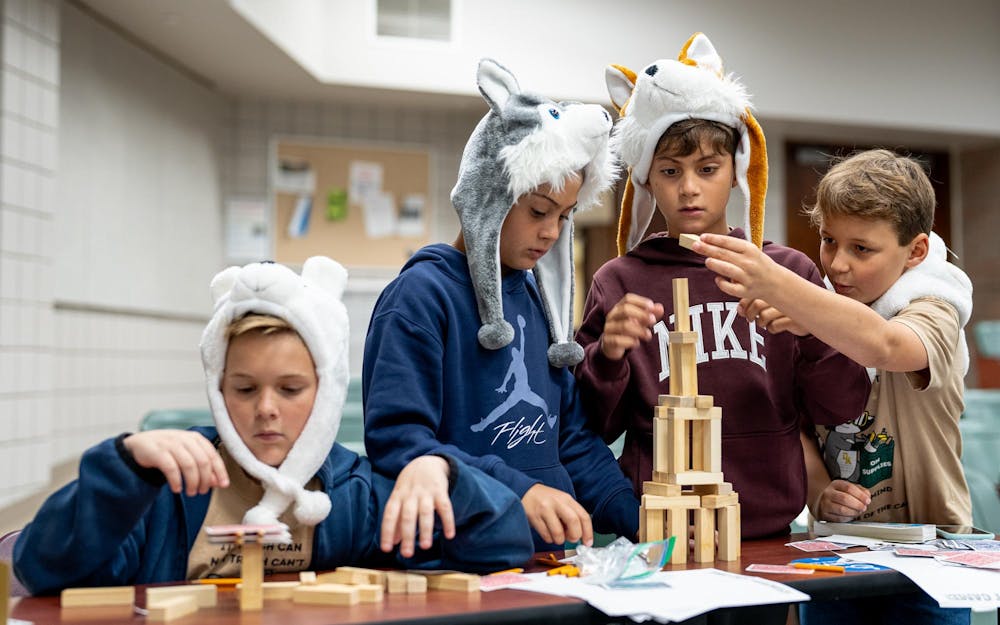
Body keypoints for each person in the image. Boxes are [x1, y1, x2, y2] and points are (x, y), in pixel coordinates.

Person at [13, 257, 533, 595]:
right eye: (244, 389)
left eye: (290, 389)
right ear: (219, 392)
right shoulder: (163, 492)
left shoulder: (353, 494)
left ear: (327, 394)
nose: (266, 409)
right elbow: (44, 570)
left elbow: (504, 547)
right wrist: (123, 466)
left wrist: (444, 474)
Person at [574, 32, 870, 541]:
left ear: (736, 170)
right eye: (670, 171)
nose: (689, 187)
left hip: (769, 529)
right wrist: (608, 357)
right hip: (662, 533)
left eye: (707, 169)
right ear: (646, 181)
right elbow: (589, 430)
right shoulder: (619, 281)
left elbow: (842, 406)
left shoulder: (787, 272)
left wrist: (809, 331)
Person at [363, 58, 639, 551]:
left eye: (565, 215)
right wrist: (520, 491)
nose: (552, 232)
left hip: (552, 562)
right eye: (538, 211)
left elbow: (570, 438)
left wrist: (635, 512)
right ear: (490, 194)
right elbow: (400, 445)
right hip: (464, 562)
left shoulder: (535, 298)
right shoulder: (419, 299)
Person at [691, 149, 973, 625]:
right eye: (828, 242)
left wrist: (779, 285)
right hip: (833, 555)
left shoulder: (935, 308)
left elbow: (883, 345)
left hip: (930, 560)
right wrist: (820, 491)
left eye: (862, 249)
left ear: (916, 251)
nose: (838, 265)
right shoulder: (809, 313)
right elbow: (792, 424)